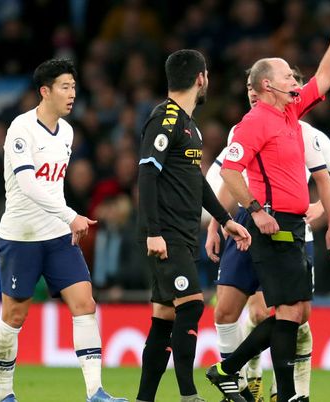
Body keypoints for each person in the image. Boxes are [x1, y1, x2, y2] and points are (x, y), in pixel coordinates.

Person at [205, 3, 330, 402]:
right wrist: (254, 210)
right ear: (267, 85)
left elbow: (324, 78)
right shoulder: (253, 122)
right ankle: (261, 383)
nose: (294, 79)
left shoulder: (289, 114)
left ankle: (234, 372)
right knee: (286, 311)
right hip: (271, 224)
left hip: (291, 222)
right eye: (287, 74)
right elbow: (230, 172)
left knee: (294, 312)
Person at [0, 58, 127, 402]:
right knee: (14, 317)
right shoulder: (21, 129)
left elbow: (53, 187)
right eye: (65, 87)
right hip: (21, 237)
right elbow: (27, 184)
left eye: (74, 87)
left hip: (57, 236)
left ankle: (96, 391)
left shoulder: (66, 132)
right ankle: (5, 394)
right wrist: (70, 215)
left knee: (85, 303)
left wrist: (64, 218)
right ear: (45, 91)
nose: (72, 94)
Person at [134, 49, 251, 402]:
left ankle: (144, 398)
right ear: (200, 77)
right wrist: (153, 232)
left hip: (182, 234)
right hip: (166, 234)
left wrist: (225, 220)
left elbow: (196, 183)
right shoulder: (165, 119)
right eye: (208, 76)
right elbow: (146, 173)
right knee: (192, 305)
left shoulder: (190, 126)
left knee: (164, 318)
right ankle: (188, 394)